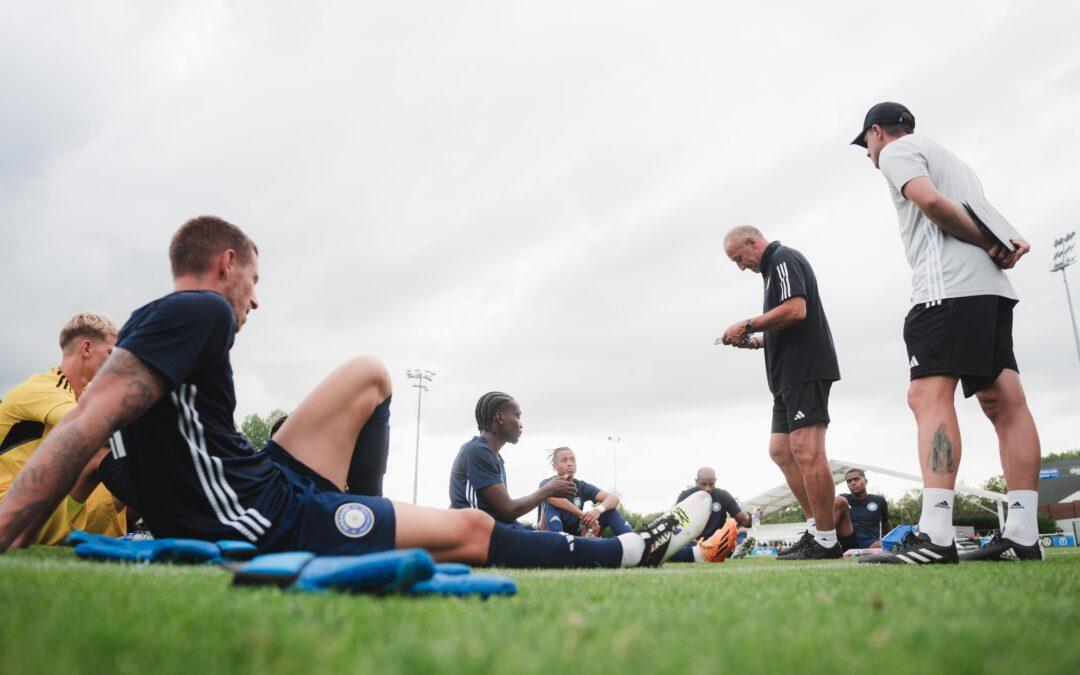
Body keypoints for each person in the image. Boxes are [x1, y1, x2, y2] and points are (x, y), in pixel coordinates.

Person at [0, 215, 711, 570]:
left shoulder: (157, 332)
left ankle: (361, 519)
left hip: (257, 482)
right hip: (260, 517)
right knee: (467, 531)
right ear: (227, 265)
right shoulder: (203, 310)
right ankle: (629, 553)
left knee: (370, 373)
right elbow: (83, 429)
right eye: (255, 280)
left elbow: (101, 454)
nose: (255, 300)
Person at [851, 102, 1042, 564]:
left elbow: (932, 203)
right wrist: (1000, 240)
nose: (869, 155)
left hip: (945, 292)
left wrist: (988, 242)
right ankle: (1021, 532)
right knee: (1004, 402)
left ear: (878, 132)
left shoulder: (898, 153)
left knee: (927, 397)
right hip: (989, 292)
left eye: (867, 145)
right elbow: (985, 216)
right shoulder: (955, 160)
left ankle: (935, 535)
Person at [718, 225, 842, 560]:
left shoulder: (783, 259)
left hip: (806, 370)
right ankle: (816, 527)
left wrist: (746, 324)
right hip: (784, 377)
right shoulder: (769, 274)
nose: (741, 267)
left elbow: (796, 310)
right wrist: (755, 341)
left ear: (752, 242)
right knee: (781, 451)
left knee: (806, 449)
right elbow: (783, 325)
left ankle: (827, 539)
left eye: (739, 258)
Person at [0, 313, 126, 544]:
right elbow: (91, 429)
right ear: (86, 348)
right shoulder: (42, 388)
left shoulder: (80, 398)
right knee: (103, 450)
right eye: (110, 354)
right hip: (10, 505)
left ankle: (160, 527)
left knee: (145, 458)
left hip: (43, 500)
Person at [449, 392, 577, 529]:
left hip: (501, 531)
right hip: (482, 535)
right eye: (517, 416)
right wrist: (549, 490)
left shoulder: (494, 457)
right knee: (575, 546)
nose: (521, 425)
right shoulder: (476, 450)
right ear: (500, 418)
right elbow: (508, 511)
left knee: (560, 542)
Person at [537, 447, 632, 537]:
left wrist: (597, 510)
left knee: (609, 510)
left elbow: (613, 498)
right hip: (546, 535)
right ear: (555, 467)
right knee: (551, 505)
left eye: (572, 459)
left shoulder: (581, 486)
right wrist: (583, 515)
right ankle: (560, 542)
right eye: (564, 460)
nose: (570, 463)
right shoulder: (547, 483)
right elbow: (552, 498)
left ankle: (633, 541)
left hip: (575, 537)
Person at [836, 469, 890, 549]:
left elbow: (886, 526)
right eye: (849, 481)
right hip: (847, 540)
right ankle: (826, 542)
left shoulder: (879, 500)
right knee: (837, 500)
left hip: (870, 542)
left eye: (856, 479)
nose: (853, 483)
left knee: (882, 545)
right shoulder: (843, 499)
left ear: (865, 481)